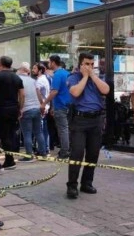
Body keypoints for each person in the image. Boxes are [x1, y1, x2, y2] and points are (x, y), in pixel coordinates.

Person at [66, 52, 110, 199]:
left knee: (93, 154)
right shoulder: (73, 77)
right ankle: (72, 185)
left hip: (96, 120)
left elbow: (106, 90)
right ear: (80, 65)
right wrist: (85, 77)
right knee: (77, 153)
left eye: (92, 64)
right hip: (79, 120)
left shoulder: (96, 78)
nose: (89, 67)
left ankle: (87, 183)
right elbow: (75, 92)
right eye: (86, 64)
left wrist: (92, 76)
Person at [0, 56, 24, 170]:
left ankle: (9, 160)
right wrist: (20, 108)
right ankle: (10, 158)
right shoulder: (17, 77)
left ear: (1, 64)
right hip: (13, 109)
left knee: (3, 134)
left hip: (1, 109)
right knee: (11, 133)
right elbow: (22, 94)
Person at [43, 55, 72, 159]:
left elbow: (54, 91)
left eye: (49, 62)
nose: (48, 64)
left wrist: (44, 103)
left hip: (60, 106)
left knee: (62, 130)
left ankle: (64, 152)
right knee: (67, 129)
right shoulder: (67, 73)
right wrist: (52, 107)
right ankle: (68, 149)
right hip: (69, 105)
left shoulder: (57, 75)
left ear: (53, 63)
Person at [17, 62, 46, 161]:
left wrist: (20, 108)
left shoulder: (18, 80)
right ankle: (43, 153)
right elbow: (39, 94)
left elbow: (21, 95)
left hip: (26, 109)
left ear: (21, 70)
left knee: (27, 133)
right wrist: (42, 106)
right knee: (39, 132)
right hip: (36, 108)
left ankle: (29, 155)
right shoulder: (33, 80)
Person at [33, 62, 51, 156]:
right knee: (44, 130)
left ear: (40, 70)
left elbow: (38, 93)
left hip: (42, 107)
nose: (33, 70)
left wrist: (41, 104)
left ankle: (42, 149)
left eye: (35, 68)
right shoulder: (45, 79)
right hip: (45, 106)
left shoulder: (40, 80)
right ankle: (45, 148)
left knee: (40, 130)